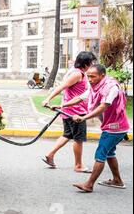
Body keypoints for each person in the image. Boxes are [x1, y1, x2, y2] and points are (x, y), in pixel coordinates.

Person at [57, 64, 130, 193]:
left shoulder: (111, 87)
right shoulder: (95, 87)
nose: (89, 79)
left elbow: (103, 106)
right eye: (88, 76)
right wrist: (62, 105)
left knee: (100, 154)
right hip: (112, 126)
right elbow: (80, 98)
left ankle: (89, 184)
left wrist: (84, 117)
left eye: (93, 76)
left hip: (115, 128)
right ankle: (117, 180)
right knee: (109, 153)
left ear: (102, 76)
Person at [41, 51, 97, 172]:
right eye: (92, 63)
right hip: (76, 111)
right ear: (86, 63)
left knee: (67, 134)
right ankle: (78, 165)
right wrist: (48, 98)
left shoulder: (75, 71)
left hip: (68, 109)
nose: (93, 65)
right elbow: (62, 86)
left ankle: (50, 154)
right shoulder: (78, 74)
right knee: (78, 138)